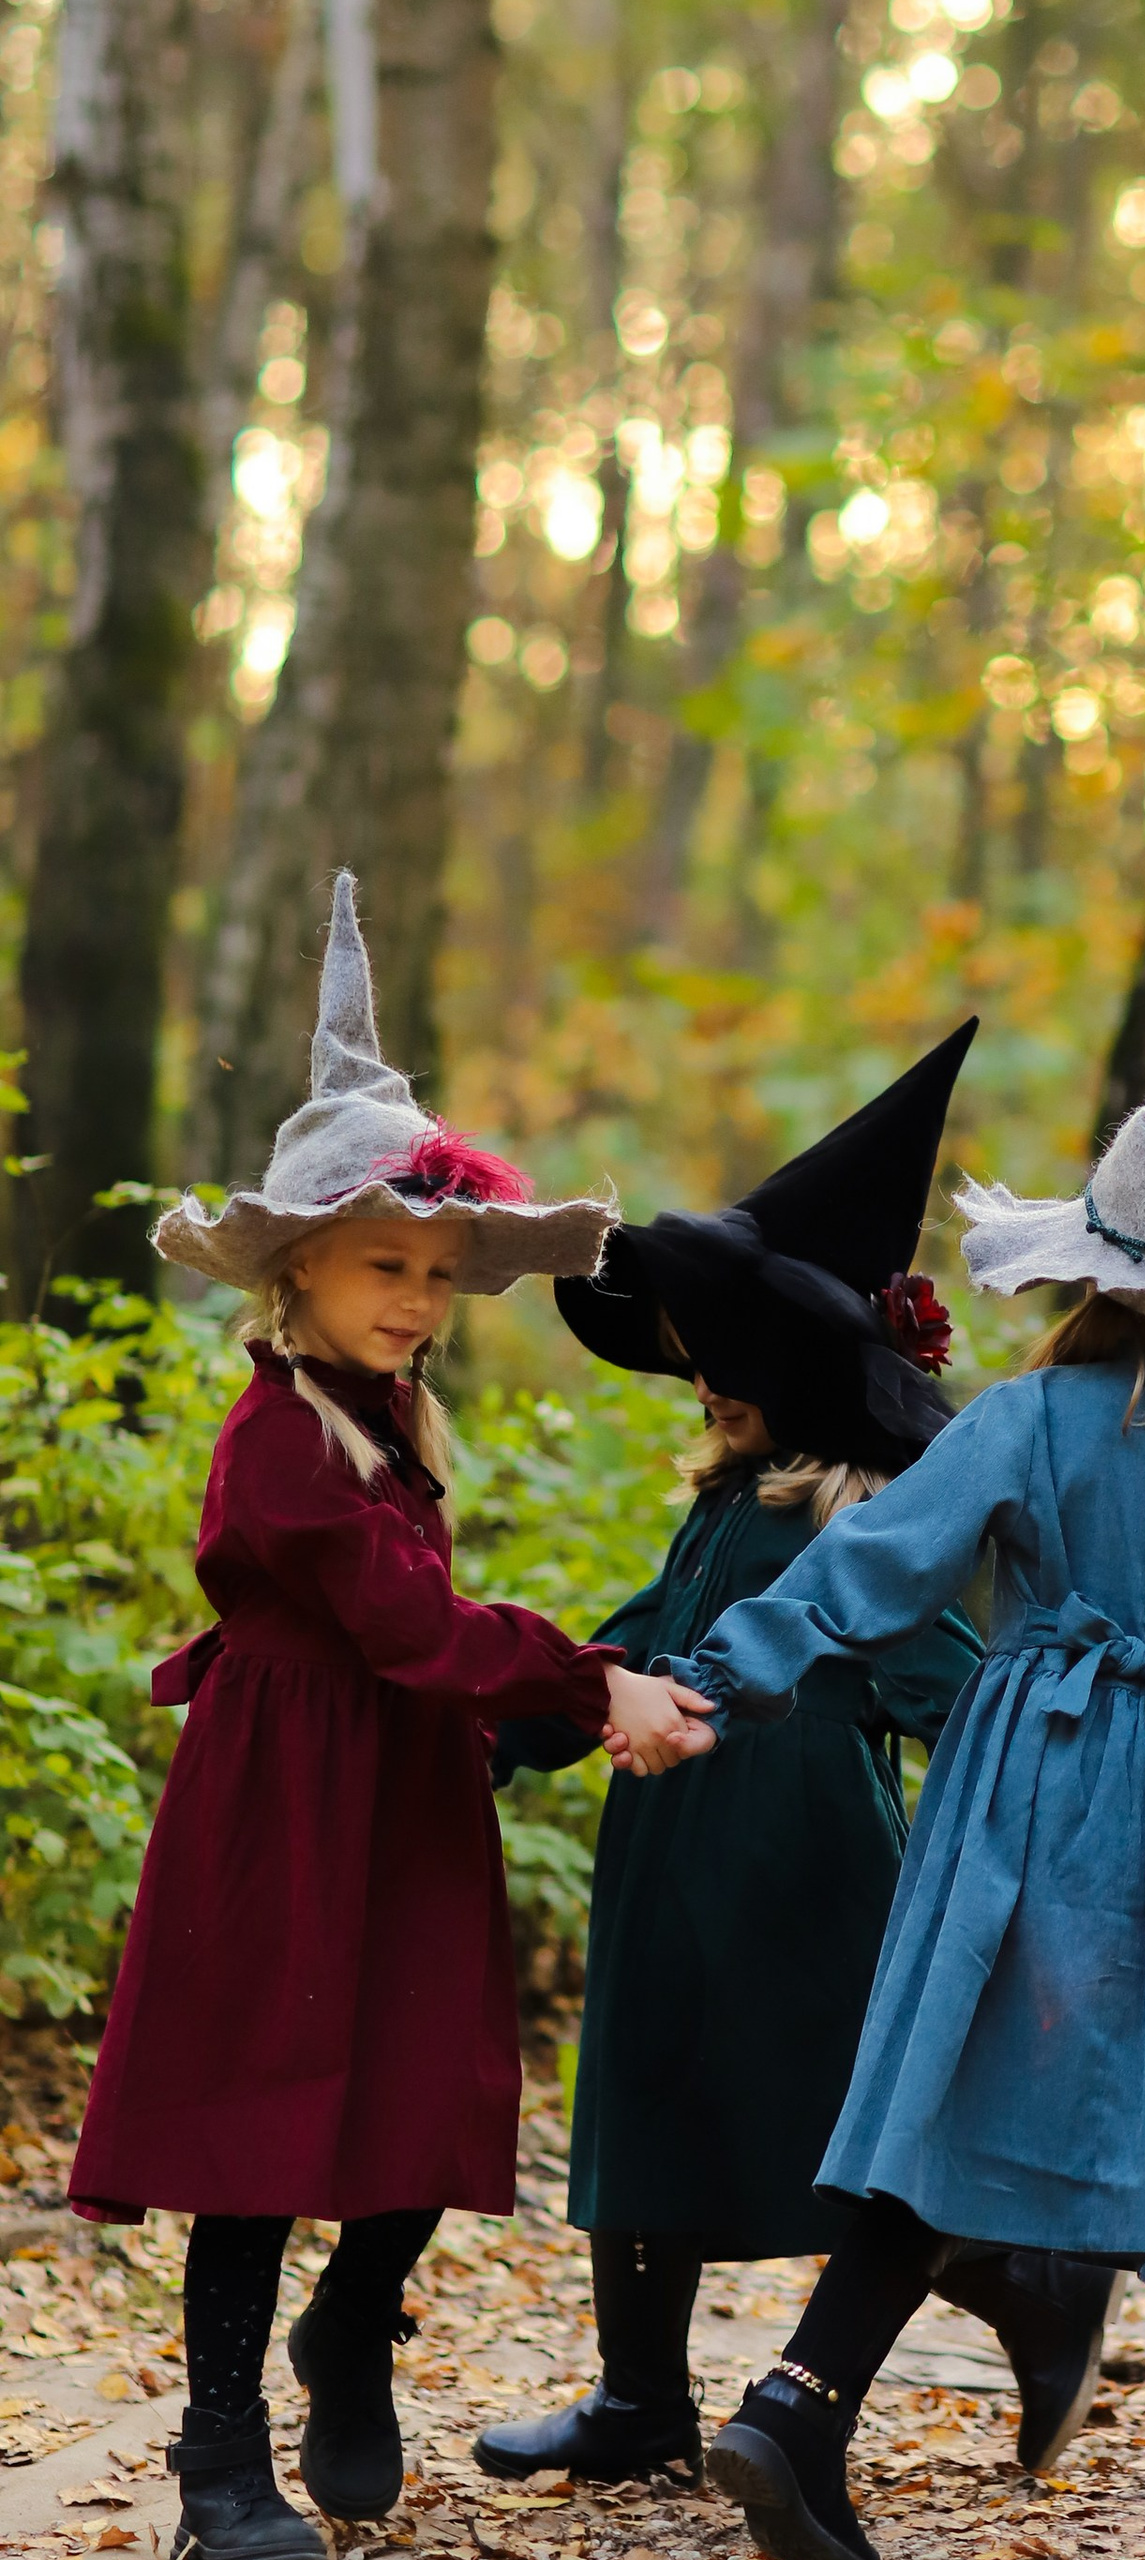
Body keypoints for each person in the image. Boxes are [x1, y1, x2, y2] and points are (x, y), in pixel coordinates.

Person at [607, 1048, 1145, 2560]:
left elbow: (871, 1572)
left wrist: (716, 1681)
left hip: (1031, 1781)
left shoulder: (1036, 1419)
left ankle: (798, 2406)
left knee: (953, 2094)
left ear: (1102, 1275)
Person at [69, 876, 694, 2560]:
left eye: (434, 1271)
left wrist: (532, 1704)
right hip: (282, 1786)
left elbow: (418, 1643)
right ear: (299, 1270)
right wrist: (588, 1679)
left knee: (425, 2080)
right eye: (381, 1267)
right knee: (261, 2114)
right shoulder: (279, 1437)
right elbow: (402, 1616)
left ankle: (354, 2328)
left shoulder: (393, 1403)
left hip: (402, 1781)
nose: (416, 1297)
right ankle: (219, 2458)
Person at [470, 1021, 1122, 2488]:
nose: (698, 1378)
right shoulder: (723, 1507)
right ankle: (640, 2397)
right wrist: (507, 1730)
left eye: (725, 1359)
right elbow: (627, 1646)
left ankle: (1028, 2286)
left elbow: (965, 1690)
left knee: (829, 2128)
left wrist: (1045, 1820)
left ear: (809, 1374)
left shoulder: (858, 1539)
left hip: (810, 1881)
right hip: (668, 1856)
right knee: (646, 2102)